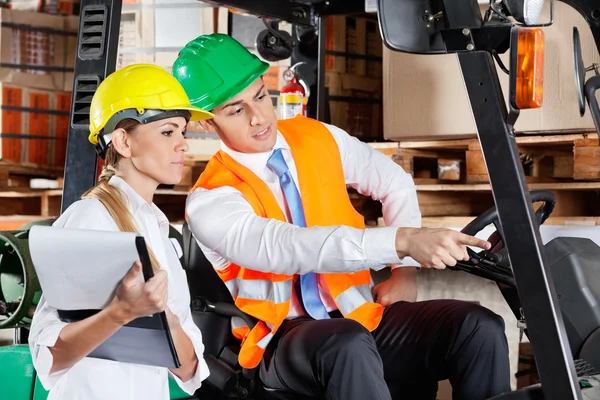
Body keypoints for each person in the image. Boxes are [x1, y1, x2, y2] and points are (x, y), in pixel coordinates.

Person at [173, 34, 511, 400]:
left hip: (358, 317)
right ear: (207, 123)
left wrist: (406, 272)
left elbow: (394, 182)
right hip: (281, 337)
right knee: (346, 345)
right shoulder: (210, 201)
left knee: (479, 327)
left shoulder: (318, 138)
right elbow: (289, 247)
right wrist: (402, 242)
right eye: (236, 110)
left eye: (259, 96)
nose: (258, 117)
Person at [28, 64, 214, 400]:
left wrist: (165, 319)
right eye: (168, 132)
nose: (183, 145)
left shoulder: (160, 232)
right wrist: (121, 312)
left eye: (183, 132)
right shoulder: (91, 220)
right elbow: (49, 360)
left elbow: (189, 370)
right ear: (124, 141)